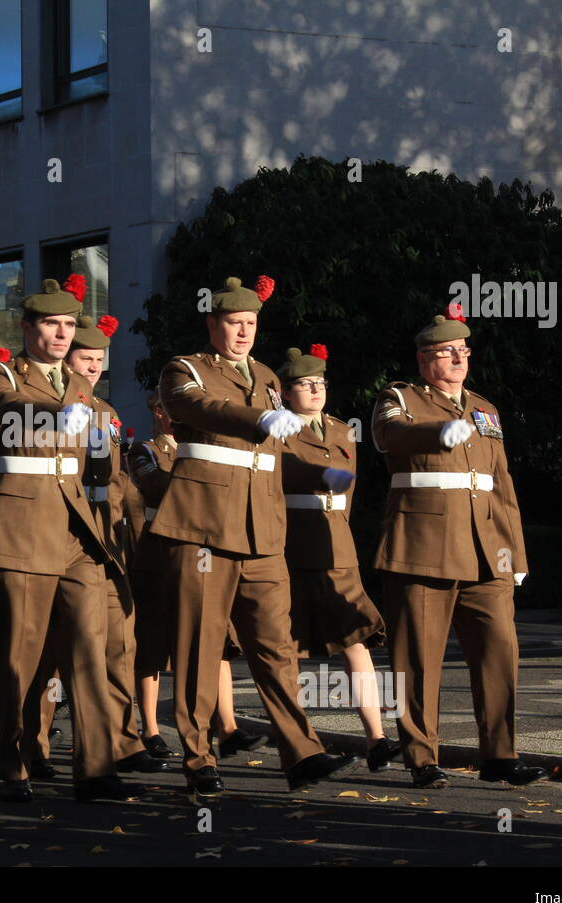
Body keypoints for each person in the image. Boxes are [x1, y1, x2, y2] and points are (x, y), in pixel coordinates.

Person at [154, 275, 357, 796]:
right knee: (200, 646)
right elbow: (200, 410)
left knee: (276, 647)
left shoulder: (267, 374)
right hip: (204, 527)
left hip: (263, 533)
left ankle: (301, 752)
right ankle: (198, 755)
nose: (243, 331)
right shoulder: (187, 369)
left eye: (250, 323)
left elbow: (272, 457)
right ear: (212, 323)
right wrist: (260, 416)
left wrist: (319, 475)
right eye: (232, 323)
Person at [0, 278, 132, 803]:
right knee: (21, 653)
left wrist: (104, 445)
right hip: (24, 525)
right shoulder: (0, 374)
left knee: (90, 645)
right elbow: (7, 410)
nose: (62, 334)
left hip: (76, 531)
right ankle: (14, 763)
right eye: (51, 324)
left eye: (68, 325)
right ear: (27, 327)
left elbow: (95, 467)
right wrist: (58, 415)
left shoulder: (79, 384)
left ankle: (95, 766)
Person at [371, 304, 545, 788]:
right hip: (422, 547)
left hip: (486, 551)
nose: (458, 359)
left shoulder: (485, 408)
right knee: (418, 659)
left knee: (499, 651)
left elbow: (501, 485)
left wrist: (517, 556)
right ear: (425, 358)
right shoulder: (400, 398)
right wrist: (435, 432)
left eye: (463, 351)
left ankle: (500, 755)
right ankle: (422, 757)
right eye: (448, 352)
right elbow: (388, 435)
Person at [46, 303, 165, 776]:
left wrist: (127, 539)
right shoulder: (49, 409)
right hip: (60, 535)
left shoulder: (108, 413)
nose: (94, 367)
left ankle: (123, 739)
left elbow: (119, 485)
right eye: (84, 359)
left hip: (105, 539)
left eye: (99, 360)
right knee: (57, 651)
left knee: (119, 641)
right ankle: (33, 746)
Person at [277, 345, 399, 772]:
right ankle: (301, 745)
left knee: (357, 638)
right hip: (289, 547)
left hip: (336, 547)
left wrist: (341, 534)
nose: (316, 389)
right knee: (287, 648)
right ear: (286, 392)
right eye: (306, 384)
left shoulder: (342, 430)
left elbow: (349, 493)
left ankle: (378, 738)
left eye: (321, 383)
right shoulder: (275, 429)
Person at [126, 394, 265, 761]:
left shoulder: (203, 448)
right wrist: (204, 482)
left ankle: (229, 726)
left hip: (204, 550)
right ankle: (152, 729)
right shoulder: (143, 450)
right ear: (157, 412)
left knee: (215, 639)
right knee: (153, 645)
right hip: (157, 554)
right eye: (166, 410)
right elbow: (155, 485)